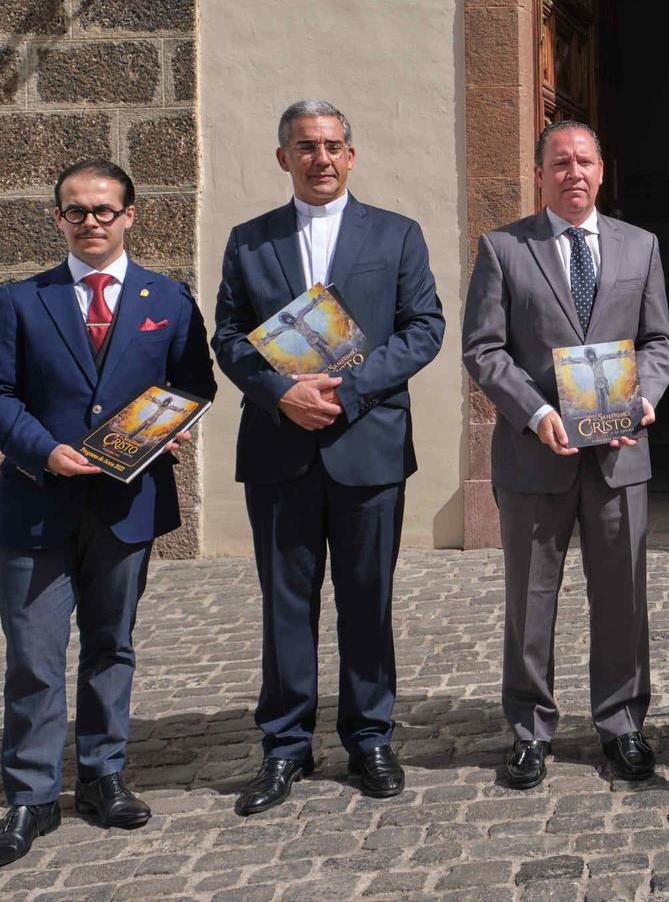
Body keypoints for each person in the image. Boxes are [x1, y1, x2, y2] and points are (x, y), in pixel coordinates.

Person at [0, 159, 215, 876]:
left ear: (131, 214)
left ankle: (104, 775)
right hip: (36, 505)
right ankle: (32, 795)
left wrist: (170, 424)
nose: (91, 221)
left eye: (105, 209)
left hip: (125, 505)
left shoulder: (166, 297)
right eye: (76, 211)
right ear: (59, 220)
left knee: (112, 644)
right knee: (35, 657)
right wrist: (46, 451)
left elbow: (193, 382)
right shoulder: (21, 300)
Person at [213, 100, 445, 814]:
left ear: (352, 154)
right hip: (279, 446)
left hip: (366, 445)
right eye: (306, 145)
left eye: (334, 144)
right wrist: (281, 391)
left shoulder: (396, 234)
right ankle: (285, 745)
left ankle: (369, 734)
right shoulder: (250, 241)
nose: (322, 157)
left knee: (367, 599)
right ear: (283, 156)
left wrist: (347, 392)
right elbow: (227, 335)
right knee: (286, 602)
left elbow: (424, 326)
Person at [462, 120, 669, 789]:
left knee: (622, 596)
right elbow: (484, 349)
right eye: (560, 162)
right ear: (540, 174)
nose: (573, 172)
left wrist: (644, 396)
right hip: (536, 453)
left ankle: (622, 725)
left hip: (618, 455)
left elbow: (659, 342)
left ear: (602, 170)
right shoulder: (503, 249)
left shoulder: (641, 247)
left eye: (584, 160)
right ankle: (529, 731)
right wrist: (538, 411)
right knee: (531, 599)